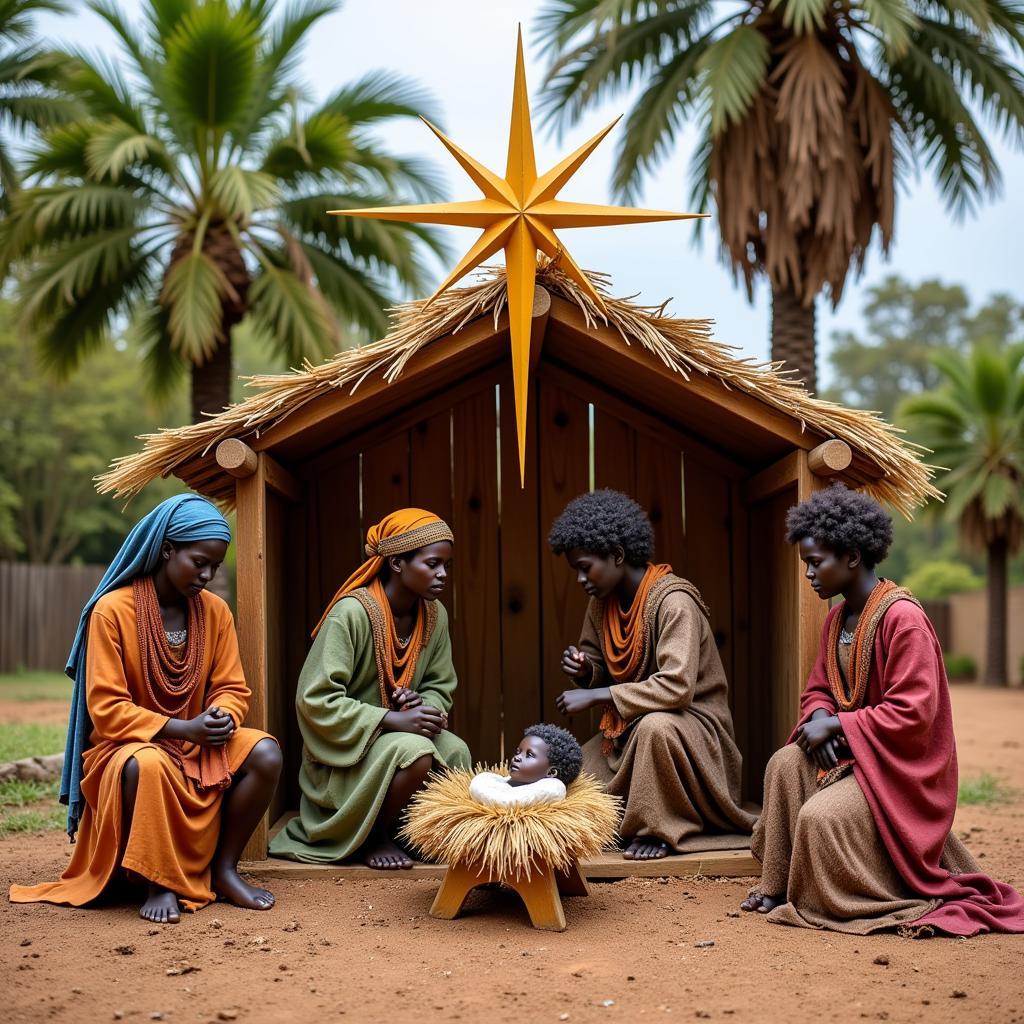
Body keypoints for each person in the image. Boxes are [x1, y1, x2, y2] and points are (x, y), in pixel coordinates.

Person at [743, 483, 1024, 935]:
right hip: (859, 754)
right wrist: (819, 716)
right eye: (806, 565)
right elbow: (819, 688)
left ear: (852, 556)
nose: (810, 575)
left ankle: (836, 896)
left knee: (819, 818)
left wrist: (839, 724)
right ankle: (778, 884)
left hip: (901, 771)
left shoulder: (903, 619)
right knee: (783, 764)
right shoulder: (837, 619)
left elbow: (914, 712)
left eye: (817, 563)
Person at [9, 494, 282, 924]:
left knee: (265, 751)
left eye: (215, 565)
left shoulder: (215, 613)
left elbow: (232, 687)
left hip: (194, 744)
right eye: (199, 562)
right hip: (125, 749)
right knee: (148, 764)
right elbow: (107, 709)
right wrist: (181, 727)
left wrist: (223, 714)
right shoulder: (112, 611)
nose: (208, 575)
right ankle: (160, 881)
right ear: (167, 549)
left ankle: (224, 870)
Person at [548, 489, 754, 860]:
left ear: (617, 555)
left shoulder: (675, 602)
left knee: (656, 727)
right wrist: (586, 670)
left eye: (584, 566)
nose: (580, 579)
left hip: (691, 733)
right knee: (573, 779)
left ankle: (659, 828)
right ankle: (636, 821)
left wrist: (599, 696)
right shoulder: (602, 603)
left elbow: (677, 687)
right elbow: (599, 659)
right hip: (630, 731)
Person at [269, 509, 472, 869]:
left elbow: (441, 685)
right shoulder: (351, 614)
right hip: (346, 758)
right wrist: (390, 720)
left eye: (446, 565)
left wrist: (422, 703)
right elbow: (315, 699)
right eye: (432, 564)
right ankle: (373, 838)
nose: (442, 574)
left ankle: (417, 835)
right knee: (415, 751)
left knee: (456, 750)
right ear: (397, 562)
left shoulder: (434, 615)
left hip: (396, 736)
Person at [469, 723, 583, 807]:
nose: (517, 757)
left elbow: (507, 802)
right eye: (518, 752)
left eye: (529, 755)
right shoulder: (492, 782)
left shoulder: (550, 790)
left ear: (551, 772)